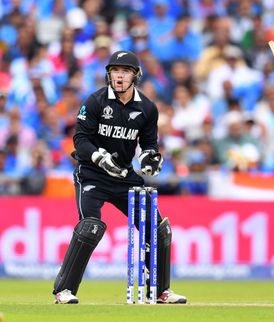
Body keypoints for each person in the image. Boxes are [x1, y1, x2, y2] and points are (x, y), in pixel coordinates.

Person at [52, 50, 187, 305]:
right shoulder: (95, 101)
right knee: (90, 226)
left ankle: (159, 291)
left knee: (157, 230)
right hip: (92, 173)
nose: (119, 76)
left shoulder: (147, 108)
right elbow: (80, 141)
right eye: (115, 71)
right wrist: (100, 158)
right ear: (108, 74)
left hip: (124, 177)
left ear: (136, 75)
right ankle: (64, 290)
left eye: (125, 71)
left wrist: (150, 160)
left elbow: (149, 146)